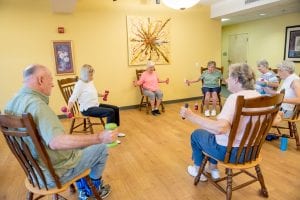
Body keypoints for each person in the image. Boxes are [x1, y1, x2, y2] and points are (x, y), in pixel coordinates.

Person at [5, 64, 118, 199]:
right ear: (41, 80)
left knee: (79, 145)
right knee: (101, 148)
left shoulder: (10, 104)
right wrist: (100, 137)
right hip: (53, 174)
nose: (52, 84)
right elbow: (57, 142)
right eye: (51, 80)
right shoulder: (37, 105)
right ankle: (92, 191)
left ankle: (83, 187)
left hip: (34, 173)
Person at [180, 63, 282, 182]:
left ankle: (198, 169)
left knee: (197, 134)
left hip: (231, 154)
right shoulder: (261, 97)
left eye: (229, 77)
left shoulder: (235, 98)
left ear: (237, 80)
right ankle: (213, 169)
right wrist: (278, 114)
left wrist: (190, 116)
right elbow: (275, 120)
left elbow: (220, 129)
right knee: (211, 132)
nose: (227, 80)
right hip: (251, 153)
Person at [68, 64, 126, 140]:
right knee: (110, 112)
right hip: (87, 109)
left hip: (95, 105)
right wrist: (68, 108)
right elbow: (72, 98)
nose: (92, 77)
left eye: (92, 74)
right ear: (85, 75)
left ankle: (114, 131)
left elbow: (93, 92)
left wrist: (102, 95)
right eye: (90, 75)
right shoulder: (80, 85)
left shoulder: (89, 81)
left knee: (115, 108)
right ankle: (108, 136)